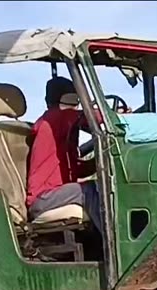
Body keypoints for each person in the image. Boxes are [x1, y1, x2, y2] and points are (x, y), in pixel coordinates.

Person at [25, 77, 105, 237]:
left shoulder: (63, 127)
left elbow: (76, 169)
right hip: (44, 198)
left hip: (58, 194)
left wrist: (102, 160)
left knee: (101, 185)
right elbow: (93, 117)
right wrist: (115, 116)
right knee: (93, 190)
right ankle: (113, 242)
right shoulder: (55, 117)